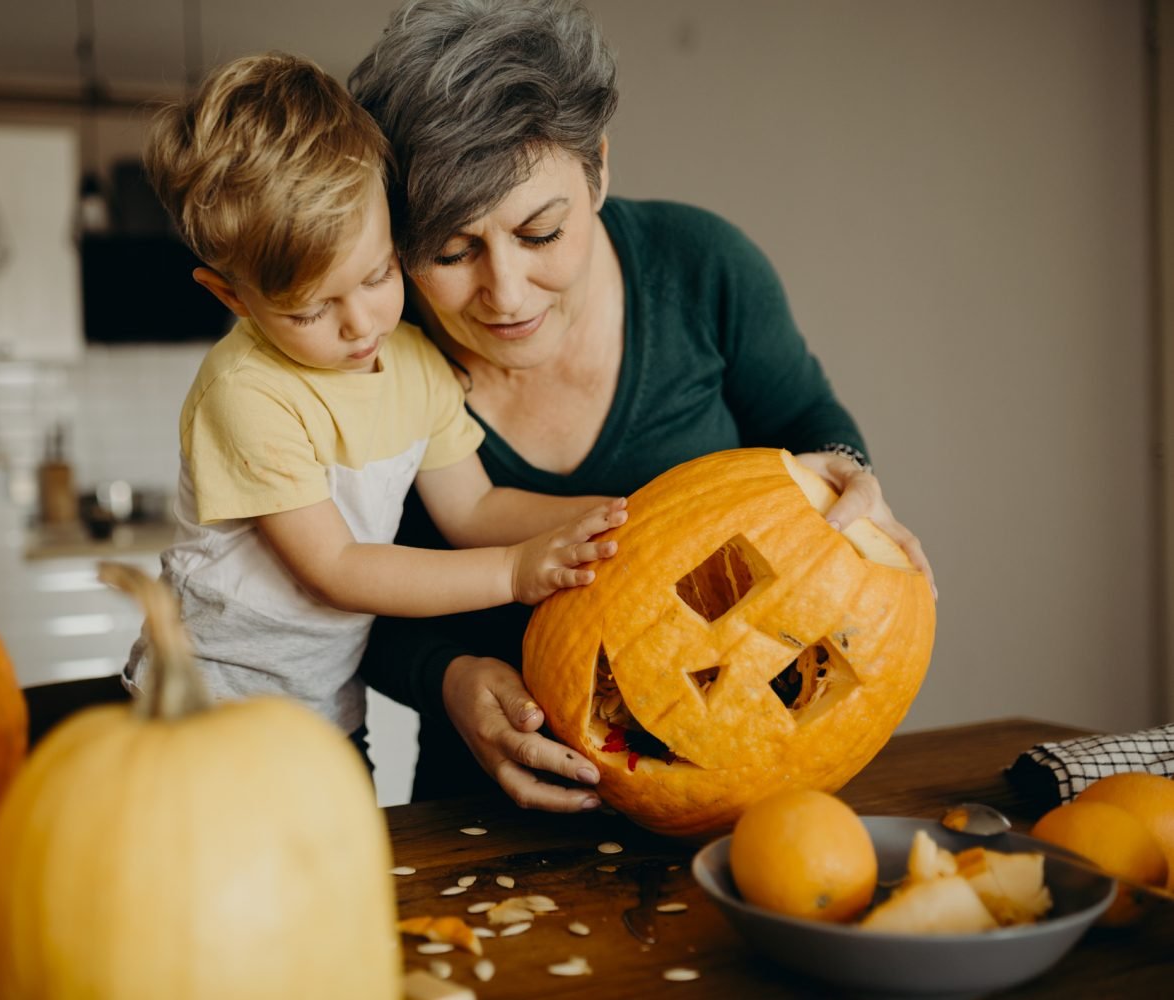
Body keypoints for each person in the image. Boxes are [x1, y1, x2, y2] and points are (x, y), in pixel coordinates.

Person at [349, 0, 936, 810]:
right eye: (451, 252)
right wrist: (448, 679)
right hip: (478, 808)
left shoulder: (703, 267)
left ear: (597, 168)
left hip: (735, 802)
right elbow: (332, 592)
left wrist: (853, 476)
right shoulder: (366, 346)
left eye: (540, 233)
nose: (506, 293)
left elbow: (809, 425)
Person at [124, 52, 628, 762]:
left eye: (379, 274)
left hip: (326, 710)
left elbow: (475, 508)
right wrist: (513, 573)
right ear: (230, 295)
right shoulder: (247, 394)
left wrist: (623, 521)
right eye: (311, 310)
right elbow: (335, 568)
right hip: (208, 712)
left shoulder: (413, 362)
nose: (362, 324)